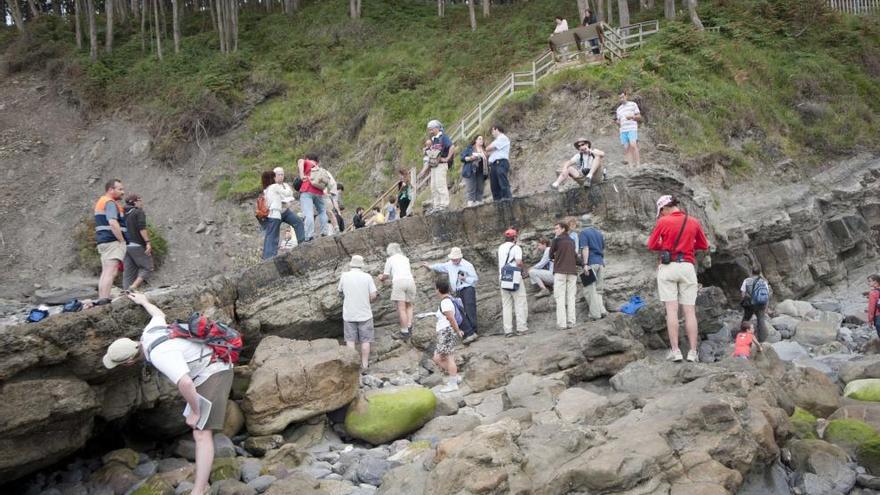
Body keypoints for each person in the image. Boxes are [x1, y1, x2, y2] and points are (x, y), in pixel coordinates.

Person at [102, 293, 234, 495]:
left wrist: (196, 412)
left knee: (201, 432)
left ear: (129, 362)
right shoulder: (149, 334)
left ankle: (199, 491)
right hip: (205, 365)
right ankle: (202, 483)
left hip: (215, 367)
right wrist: (144, 301)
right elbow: (158, 313)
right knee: (199, 428)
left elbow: (185, 382)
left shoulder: (159, 356)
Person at [648, 195, 710, 363]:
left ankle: (675, 351)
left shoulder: (663, 222)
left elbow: (652, 245)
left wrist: (665, 246)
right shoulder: (694, 222)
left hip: (668, 268)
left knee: (671, 311)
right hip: (687, 267)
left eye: (660, 213)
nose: (660, 216)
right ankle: (692, 352)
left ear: (664, 209)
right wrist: (688, 245)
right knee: (690, 312)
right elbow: (704, 245)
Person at [425, 247, 479, 344]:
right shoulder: (449, 264)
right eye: (453, 259)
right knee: (462, 311)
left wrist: (465, 279)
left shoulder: (468, 265)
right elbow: (440, 266)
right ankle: (469, 332)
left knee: (470, 308)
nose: (454, 261)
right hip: (458, 290)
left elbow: (475, 279)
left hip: (468, 288)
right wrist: (430, 266)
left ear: (460, 258)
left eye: (455, 259)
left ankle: (473, 332)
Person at [338, 255, 378, 372]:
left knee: (350, 341)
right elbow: (373, 295)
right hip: (365, 313)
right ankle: (365, 365)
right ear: (361, 265)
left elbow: (340, 291)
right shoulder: (367, 277)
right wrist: (368, 299)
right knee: (365, 340)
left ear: (351, 264)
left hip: (349, 313)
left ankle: (352, 365)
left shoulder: (344, 276)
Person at [94, 179, 128, 302]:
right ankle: (104, 299)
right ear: (110, 189)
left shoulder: (102, 202)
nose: (122, 192)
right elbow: (113, 222)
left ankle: (102, 298)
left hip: (103, 241)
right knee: (111, 271)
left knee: (106, 272)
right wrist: (122, 240)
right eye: (120, 189)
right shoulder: (110, 203)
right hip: (112, 241)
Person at [263, 167, 306, 260]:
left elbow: (290, 195)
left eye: (282, 174)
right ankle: (269, 256)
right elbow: (284, 195)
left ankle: (303, 243)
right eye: (279, 174)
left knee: (298, 222)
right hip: (275, 212)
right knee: (272, 234)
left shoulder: (285, 185)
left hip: (285, 211)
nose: (281, 176)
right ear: (274, 176)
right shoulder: (270, 186)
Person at [432, 277, 464, 393]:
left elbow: (451, 318)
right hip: (444, 332)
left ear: (438, 289)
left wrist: (457, 330)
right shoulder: (447, 300)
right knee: (437, 358)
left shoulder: (445, 302)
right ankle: (454, 376)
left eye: (435, 288)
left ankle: (453, 383)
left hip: (446, 332)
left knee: (449, 357)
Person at [379, 243, 417, 337]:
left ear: (390, 251)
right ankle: (409, 325)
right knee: (409, 305)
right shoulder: (405, 258)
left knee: (401, 308)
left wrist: (381, 277)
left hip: (399, 282)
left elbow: (386, 275)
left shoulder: (390, 260)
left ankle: (404, 331)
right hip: (410, 282)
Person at [498, 228, 529, 336]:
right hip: (514, 277)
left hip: (503, 277)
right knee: (519, 302)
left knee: (506, 304)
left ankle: (508, 330)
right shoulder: (516, 248)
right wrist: (524, 270)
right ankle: (521, 328)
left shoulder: (500, 247)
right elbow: (519, 262)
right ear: (515, 237)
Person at [420, 120, 454, 213]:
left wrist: (447, 158)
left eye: (431, 129)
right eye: (429, 129)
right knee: (433, 186)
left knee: (440, 185)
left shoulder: (443, 137)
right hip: (434, 165)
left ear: (437, 128)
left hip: (442, 165)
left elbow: (451, 146)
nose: (430, 131)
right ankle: (437, 205)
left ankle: (444, 204)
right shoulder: (434, 139)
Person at [550, 222, 578, 329]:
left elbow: (550, 254)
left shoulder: (556, 240)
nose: (555, 230)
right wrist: (584, 264)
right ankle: (572, 322)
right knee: (571, 297)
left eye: (556, 228)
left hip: (560, 272)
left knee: (560, 298)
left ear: (563, 229)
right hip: (572, 272)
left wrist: (557, 257)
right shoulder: (572, 241)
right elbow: (575, 256)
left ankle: (562, 324)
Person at [122, 194, 153, 291]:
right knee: (147, 267)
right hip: (136, 244)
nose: (142, 203)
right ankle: (133, 287)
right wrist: (147, 242)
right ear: (134, 202)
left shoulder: (122, 213)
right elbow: (141, 228)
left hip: (125, 245)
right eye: (140, 200)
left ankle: (126, 292)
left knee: (129, 270)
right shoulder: (138, 212)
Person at [579, 215, 607, 320]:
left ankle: (595, 314)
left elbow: (585, 248)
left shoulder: (583, 233)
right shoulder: (599, 233)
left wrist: (585, 264)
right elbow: (603, 249)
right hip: (600, 263)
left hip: (590, 263)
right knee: (599, 289)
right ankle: (602, 310)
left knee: (590, 290)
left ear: (582, 222)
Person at [297, 154, 329, 242]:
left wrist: (301, 175)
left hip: (307, 190)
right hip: (319, 192)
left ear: (307, 158)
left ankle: (309, 235)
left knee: (308, 213)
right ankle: (325, 232)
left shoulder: (307, 162)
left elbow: (300, 161)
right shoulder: (319, 168)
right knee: (322, 211)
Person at [740, 266, 772, 342]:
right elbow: (767, 295)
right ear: (759, 272)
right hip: (761, 304)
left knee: (746, 320)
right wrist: (766, 306)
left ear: (752, 272)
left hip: (750, 305)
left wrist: (744, 303)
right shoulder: (763, 282)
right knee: (761, 321)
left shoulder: (746, 280)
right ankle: (762, 340)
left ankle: (743, 337)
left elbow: (743, 293)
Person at [615, 90, 641, 167]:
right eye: (620, 98)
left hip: (632, 128)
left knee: (633, 145)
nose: (622, 99)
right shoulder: (618, 109)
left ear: (626, 96)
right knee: (627, 148)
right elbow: (619, 121)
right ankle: (631, 166)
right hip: (623, 130)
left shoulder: (633, 104)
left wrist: (632, 117)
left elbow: (639, 117)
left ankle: (638, 164)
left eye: (623, 97)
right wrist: (617, 122)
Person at [486, 125, 512, 201]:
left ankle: (508, 200)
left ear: (496, 129)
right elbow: (488, 152)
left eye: (492, 131)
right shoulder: (497, 140)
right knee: (494, 186)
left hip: (500, 163)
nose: (492, 133)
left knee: (503, 183)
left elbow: (488, 148)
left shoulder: (502, 138)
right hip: (493, 165)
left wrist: (487, 149)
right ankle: (498, 203)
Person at [460, 135, 488, 207]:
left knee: (480, 189)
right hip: (471, 170)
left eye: (482, 139)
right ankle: (471, 207)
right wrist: (471, 158)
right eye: (479, 139)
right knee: (471, 189)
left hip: (482, 171)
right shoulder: (469, 149)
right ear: (475, 140)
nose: (481, 140)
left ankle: (479, 205)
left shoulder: (484, 150)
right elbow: (462, 158)